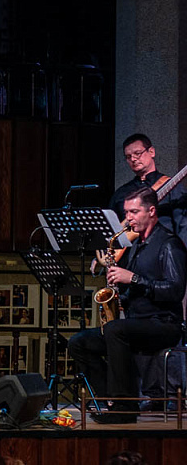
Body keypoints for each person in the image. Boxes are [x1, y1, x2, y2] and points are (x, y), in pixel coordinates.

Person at [68, 187, 186, 423]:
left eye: (134, 212)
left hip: (164, 324)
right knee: (79, 342)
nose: (128, 218)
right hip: (136, 322)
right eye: (126, 212)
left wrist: (133, 279)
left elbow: (175, 290)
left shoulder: (169, 244)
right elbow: (134, 287)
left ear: (151, 211)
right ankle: (108, 399)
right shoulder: (135, 246)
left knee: (115, 330)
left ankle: (124, 406)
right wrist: (119, 293)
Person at [105, 133, 187, 410]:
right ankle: (125, 396)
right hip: (132, 263)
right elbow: (114, 231)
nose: (133, 160)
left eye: (138, 153)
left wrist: (174, 253)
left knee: (130, 330)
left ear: (151, 152)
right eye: (128, 157)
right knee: (117, 330)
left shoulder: (172, 189)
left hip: (161, 263)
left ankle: (153, 398)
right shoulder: (122, 194)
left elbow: (182, 226)